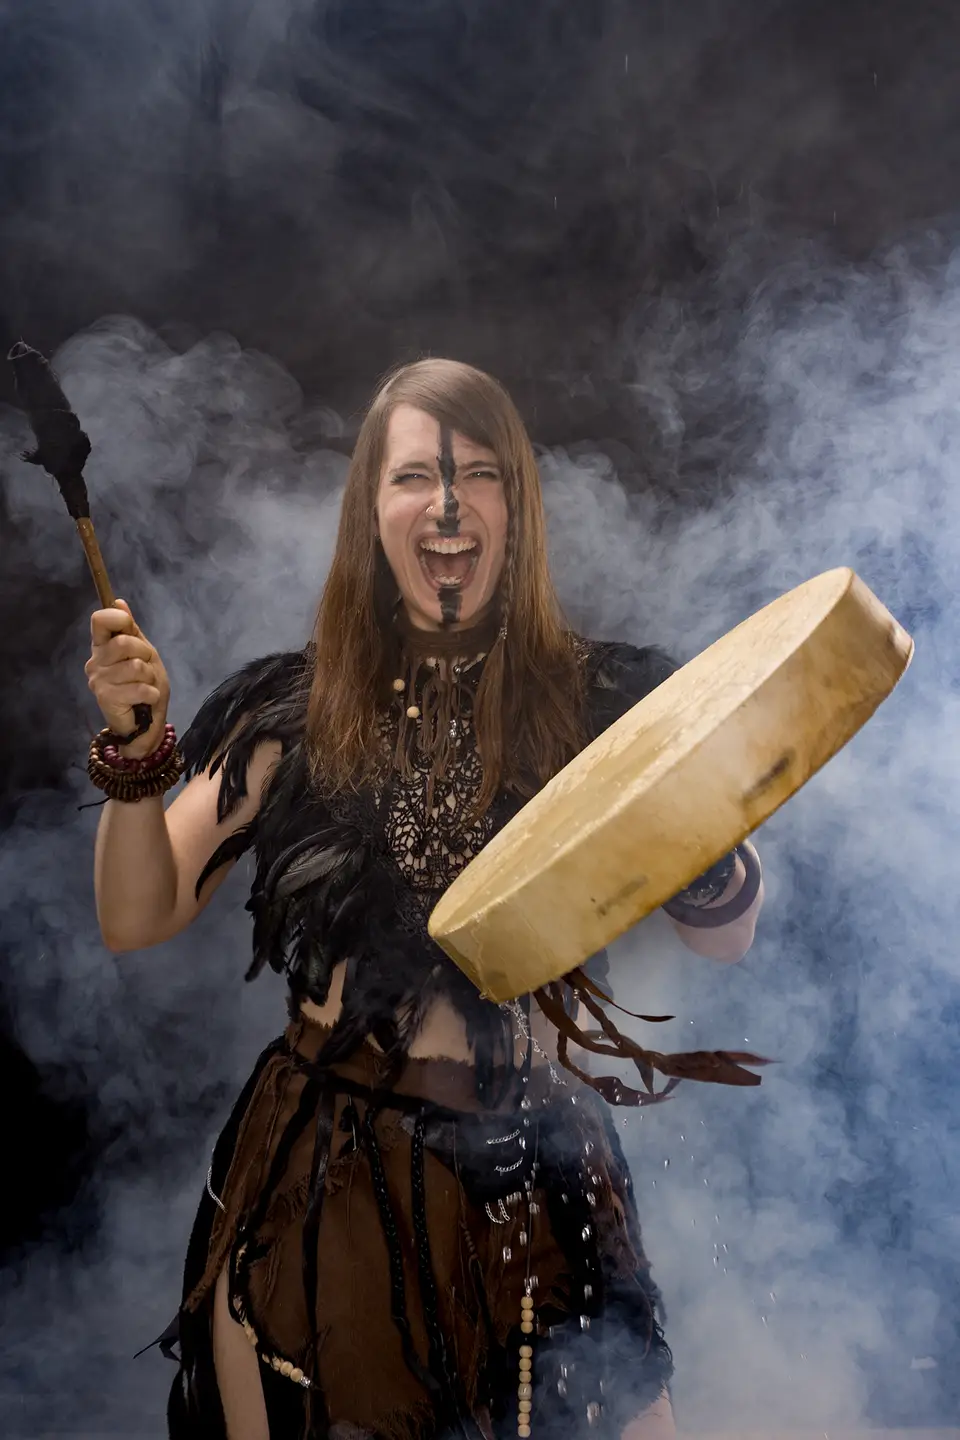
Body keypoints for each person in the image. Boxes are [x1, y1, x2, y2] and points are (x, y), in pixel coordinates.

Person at [84, 359, 764, 1440]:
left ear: (516, 505)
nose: (447, 504)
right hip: (334, 1174)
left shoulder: (608, 702)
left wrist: (705, 832)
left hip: (542, 1163)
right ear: (372, 510)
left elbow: (728, 933)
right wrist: (133, 754)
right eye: (414, 477)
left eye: (479, 473)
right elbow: (138, 913)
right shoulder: (297, 713)